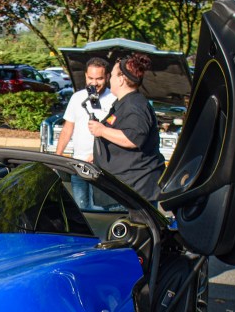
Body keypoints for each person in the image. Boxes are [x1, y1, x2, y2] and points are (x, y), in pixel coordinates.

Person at [88, 53, 165, 202]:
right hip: (123, 186)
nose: (110, 79)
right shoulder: (125, 103)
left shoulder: (134, 105)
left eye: (112, 76)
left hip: (135, 190)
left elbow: (133, 139)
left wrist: (102, 130)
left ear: (121, 79)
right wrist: (97, 155)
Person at [55, 56, 116, 208]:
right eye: (91, 78)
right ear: (85, 76)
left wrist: (97, 155)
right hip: (78, 165)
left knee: (101, 210)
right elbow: (68, 128)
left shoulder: (114, 99)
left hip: (102, 167)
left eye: (99, 78)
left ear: (107, 77)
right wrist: (57, 156)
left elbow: (116, 134)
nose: (94, 83)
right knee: (80, 208)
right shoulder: (77, 98)